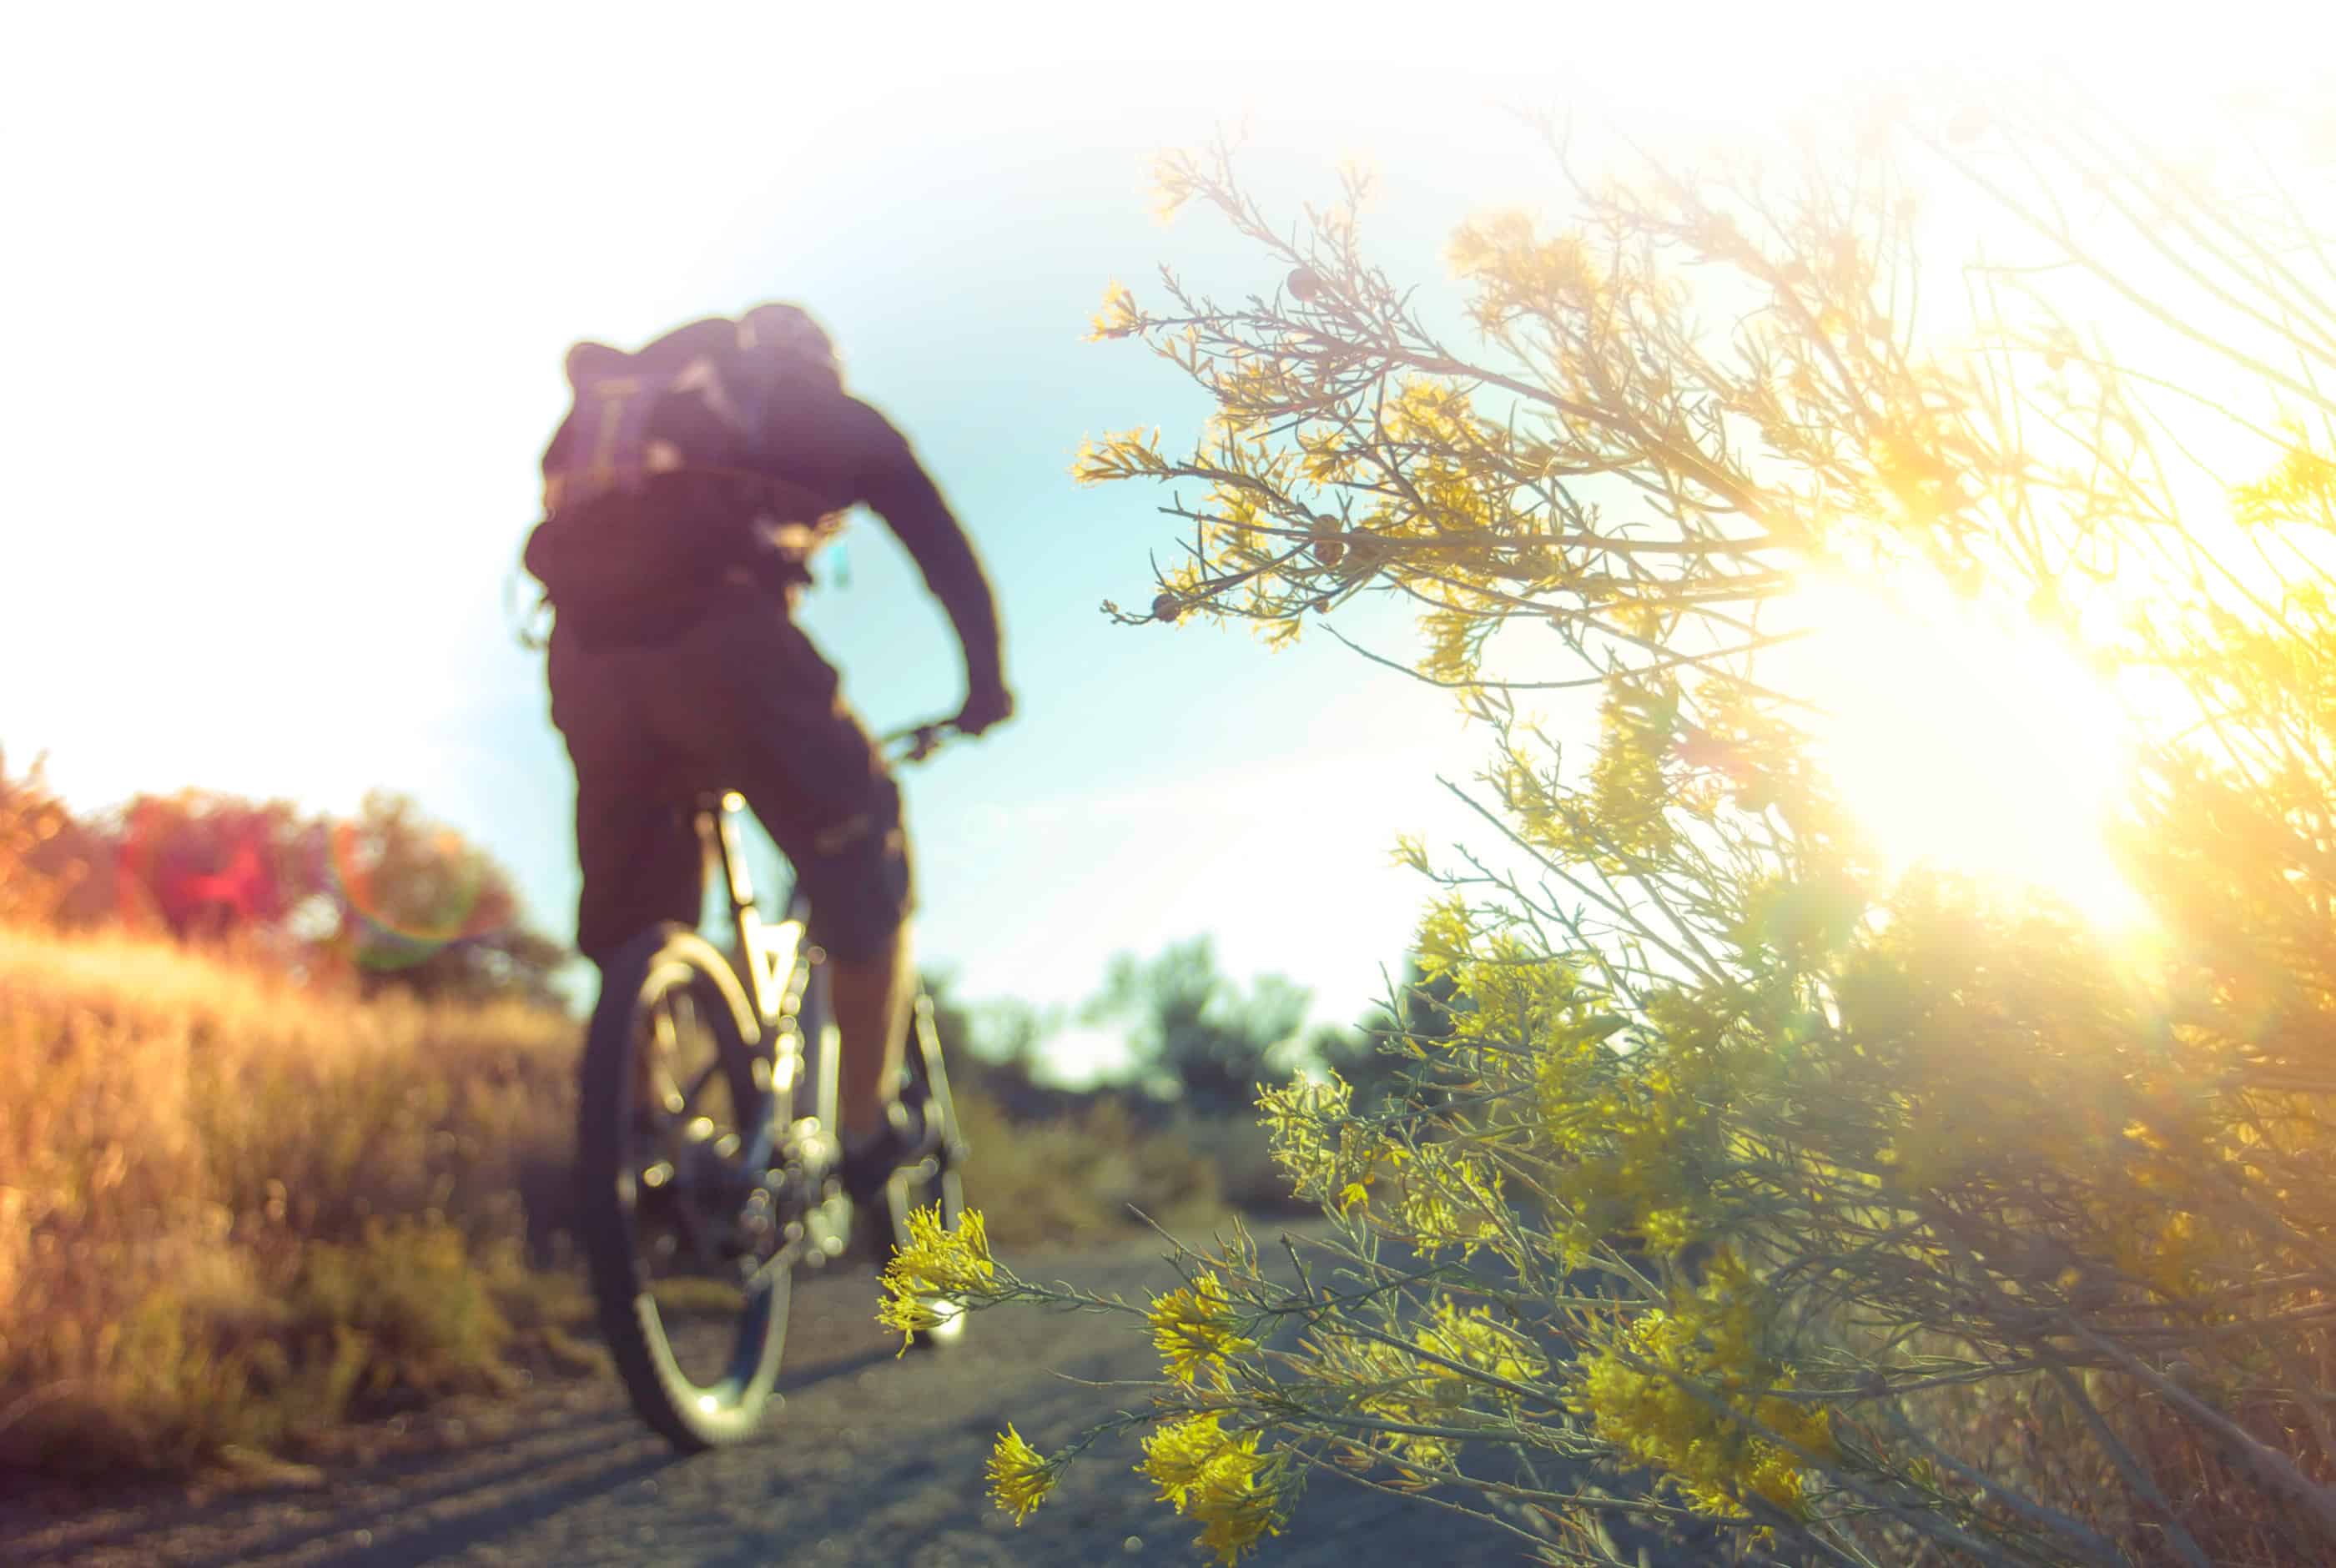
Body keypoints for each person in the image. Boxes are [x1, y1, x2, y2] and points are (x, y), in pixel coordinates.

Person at [530, 302, 1012, 1199]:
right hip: (725, 654)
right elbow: (943, 551)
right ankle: (867, 1131)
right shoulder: (818, 409)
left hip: (589, 665)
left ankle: (644, 1141)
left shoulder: (630, 410)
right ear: (817, 363)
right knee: (865, 840)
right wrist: (986, 683)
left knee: (640, 925)